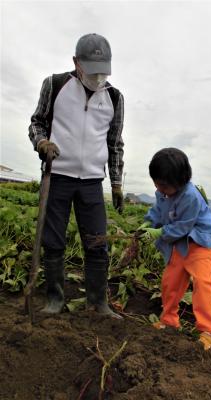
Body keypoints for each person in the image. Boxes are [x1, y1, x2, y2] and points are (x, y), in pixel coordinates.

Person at [28, 33, 124, 318]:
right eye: (92, 71)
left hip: (92, 181)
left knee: (97, 241)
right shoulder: (56, 85)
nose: (98, 78)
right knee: (54, 240)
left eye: (103, 72)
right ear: (76, 63)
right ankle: (54, 299)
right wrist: (41, 143)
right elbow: (37, 122)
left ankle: (98, 302)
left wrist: (116, 183)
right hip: (57, 176)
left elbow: (115, 142)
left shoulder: (114, 98)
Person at [139, 148, 211, 350]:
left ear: (180, 180)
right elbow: (157, 211)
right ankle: (169, 321)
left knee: (203, 284)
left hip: (201, 243)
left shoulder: (191, 196)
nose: (159, 188)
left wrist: (158, 233)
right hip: (181, 245)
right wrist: (148, 223)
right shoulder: (163, 192)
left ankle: (210, 331)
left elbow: (183, 226)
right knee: (170, 282)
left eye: (164, 185)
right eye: (157, 183)